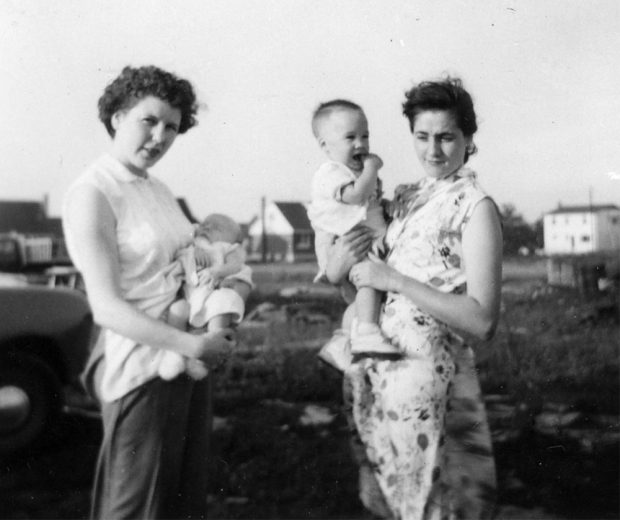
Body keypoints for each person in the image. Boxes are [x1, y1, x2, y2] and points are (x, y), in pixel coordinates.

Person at [62, 65, 251, 520]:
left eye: (172, 126)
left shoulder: (158, 190)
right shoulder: (93, 193)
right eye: (148, 121)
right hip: (140, 366)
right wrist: (193, 344)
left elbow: (196, 259)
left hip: (188, 359)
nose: (160, 136)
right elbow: (106, 307)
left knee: (181, 500)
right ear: (116, 118)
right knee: (135, 505)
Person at [324, 77, 502, 519]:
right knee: (390, 503)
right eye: (422, 137)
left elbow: (483, 321)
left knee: (430, 504)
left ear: (469, 139)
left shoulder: (474, 207)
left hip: (423, 379)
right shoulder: (404, 199)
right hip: (374, 371)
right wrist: (343, 268)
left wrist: (397, 281)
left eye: (446, 137)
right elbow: (364, 281)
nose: (433, 151)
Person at [307, 99, 398, 372]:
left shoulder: (357, 173)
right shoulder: (331, 173)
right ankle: (367, 332)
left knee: (364, 296)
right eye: (350, 137)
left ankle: (343, 341)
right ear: (326, 146)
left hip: (357, 241)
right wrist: (372, 168)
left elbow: (370, 204)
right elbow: (356, 197)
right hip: (343, 244)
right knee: (369, 279)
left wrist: (386, 206)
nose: (361, 144)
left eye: (365, 136)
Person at [159, 212, 251, 381]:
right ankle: (173, 355)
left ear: (230, 239)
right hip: (191, 295)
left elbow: (235, 265)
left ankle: (201, 361)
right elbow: (181, 254)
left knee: (220, 311)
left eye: (217, 228)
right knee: (177, 310)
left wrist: (218, 271)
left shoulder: (226, 248)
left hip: (213, 293)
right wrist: (194, 252)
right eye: (206, 224)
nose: (208, 228)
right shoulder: (192, 242)